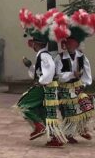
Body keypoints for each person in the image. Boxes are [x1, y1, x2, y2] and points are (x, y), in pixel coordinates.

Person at [14, 8, 68, 147]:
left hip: (45, 86)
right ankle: (55, 137)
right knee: (45, 111)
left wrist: (41, 82)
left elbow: (49, 71)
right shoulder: (42, 55)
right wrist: (30, 66)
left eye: (33, 43)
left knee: (22, 105)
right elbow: (40, 71)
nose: (32, 45)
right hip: (48, 87)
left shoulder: (44, 56)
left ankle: (39, 126)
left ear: (37, 44)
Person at [58, 10, 95, 143]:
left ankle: (81, 128)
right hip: (64, 88)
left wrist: (83, 83)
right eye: (68, 42)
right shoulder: (59, 58)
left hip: (77, 87)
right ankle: (69, 134)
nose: (70, 45)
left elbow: (87, 73)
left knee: (88, 107)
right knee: (70, 112)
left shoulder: (82, 57)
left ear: (77, 44)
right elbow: (58, 75)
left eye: (73, 42)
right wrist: (72, 74)